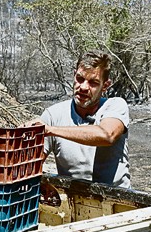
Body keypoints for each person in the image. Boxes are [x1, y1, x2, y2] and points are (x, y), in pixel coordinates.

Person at [30, 52, 130, 188]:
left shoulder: (115, 106)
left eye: (93, 83)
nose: (83, 87)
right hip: (72, 200)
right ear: (74, 76)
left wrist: (51, 130)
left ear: (105, 86)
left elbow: (107, 135)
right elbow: (31, 165)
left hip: (117, 200)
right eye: (80, 79)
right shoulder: (53, 115)